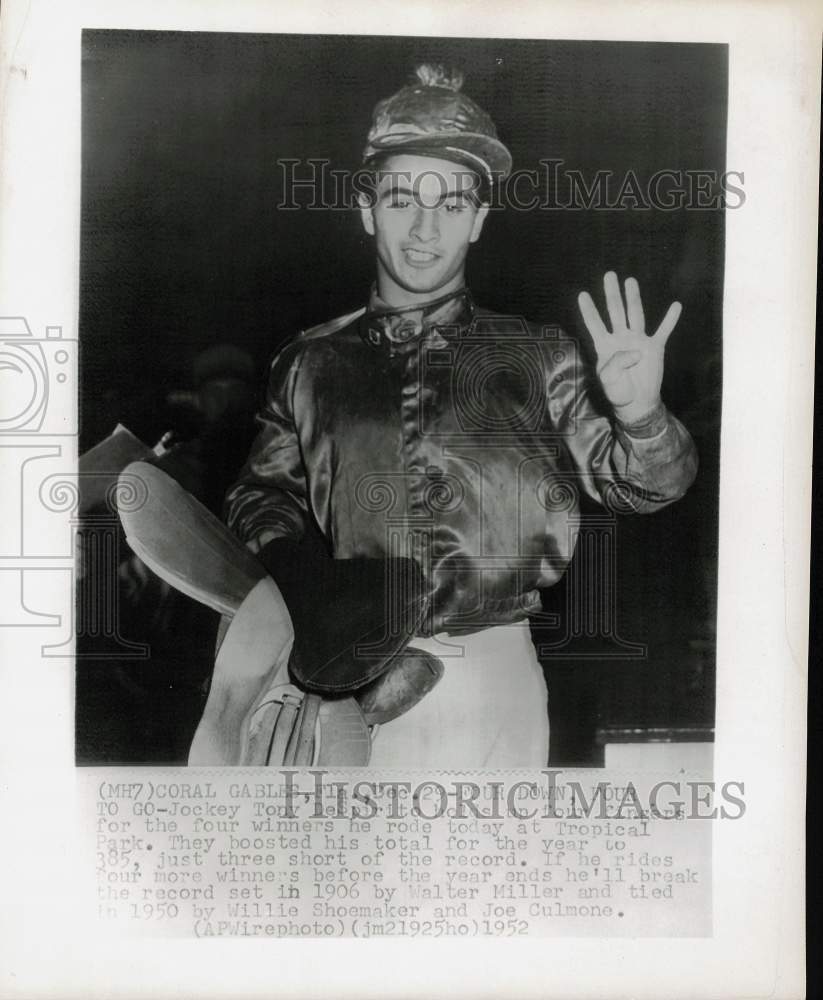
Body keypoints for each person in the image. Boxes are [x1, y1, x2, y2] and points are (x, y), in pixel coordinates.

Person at [222, 64, 698, 768]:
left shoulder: (538, 355)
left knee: (490, 876)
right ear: (365, 209)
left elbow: (642, 484)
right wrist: (310, 581)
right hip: (350, 682)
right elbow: (260, 498)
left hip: (495, 676)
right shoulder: (308, 364)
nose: (424, 227)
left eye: (450, 203)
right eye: (401, 198)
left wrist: (641, 415)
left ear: (478, 219)